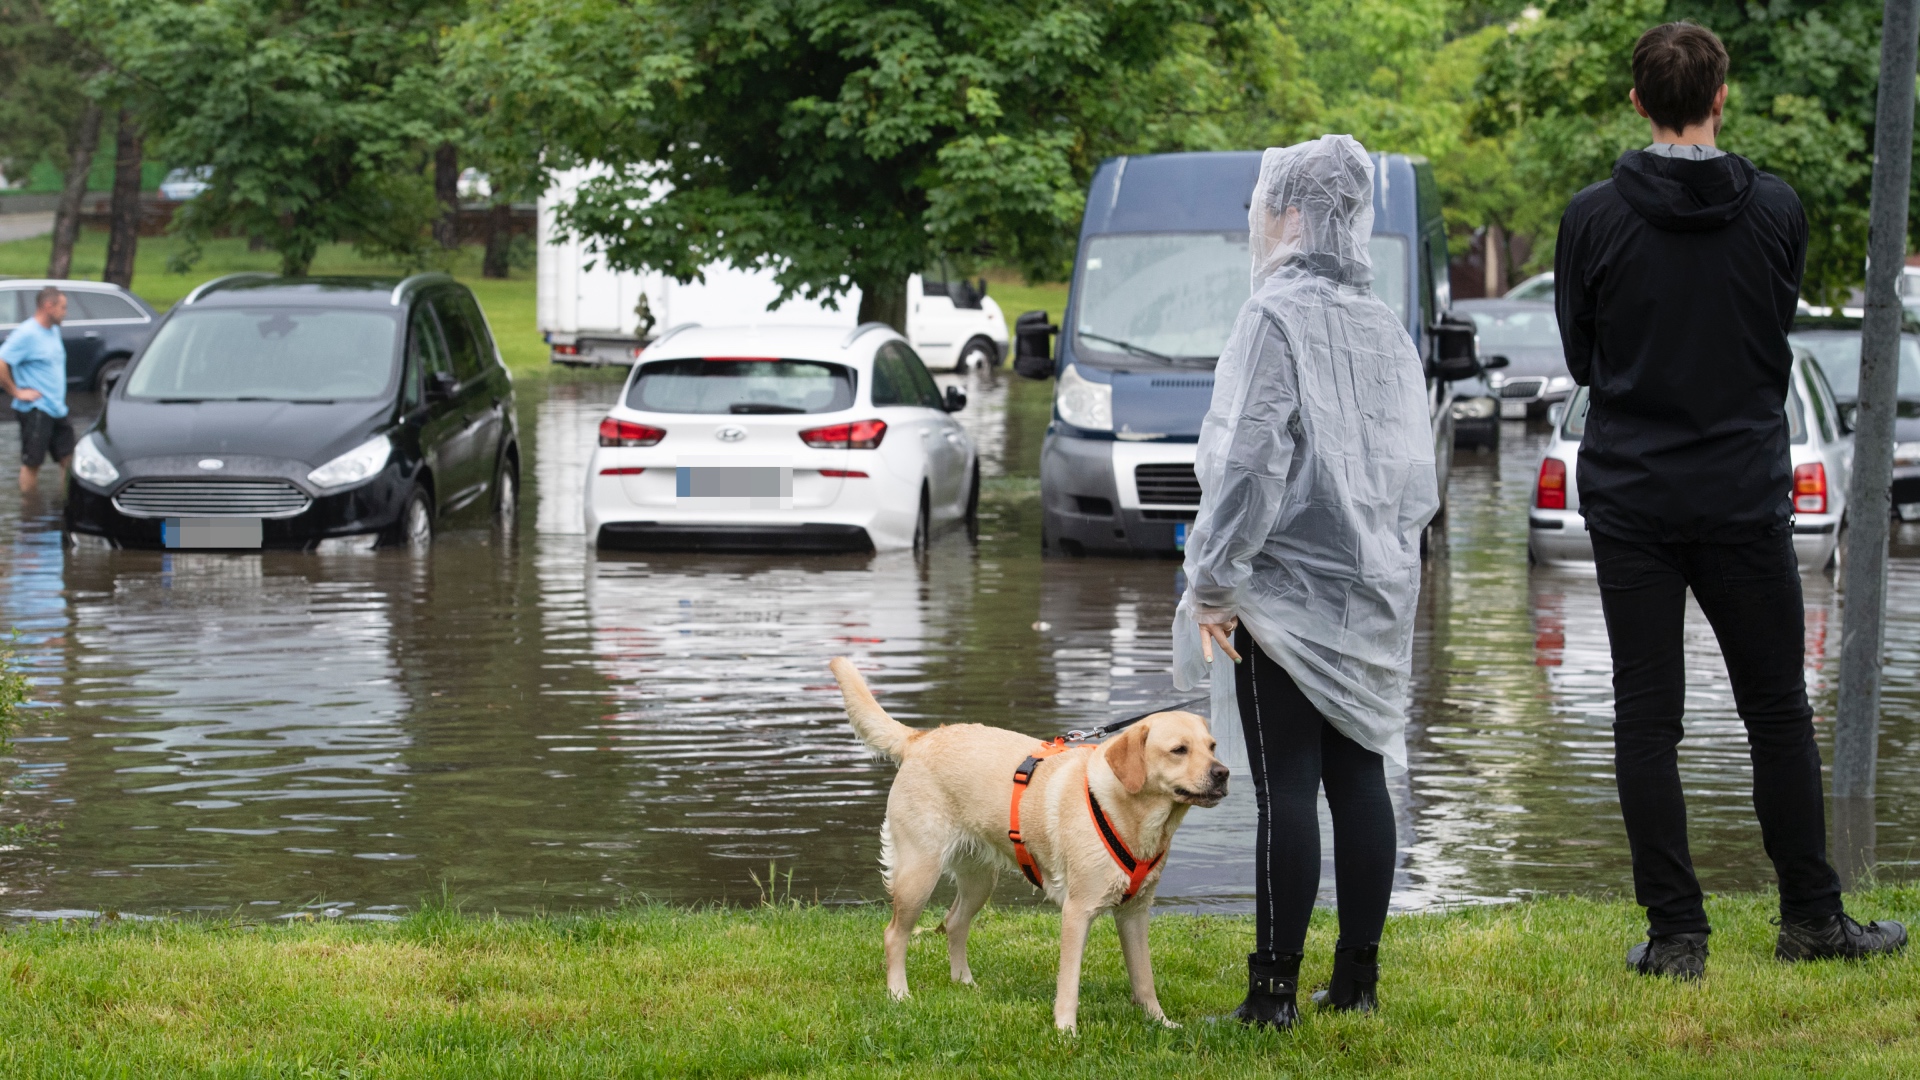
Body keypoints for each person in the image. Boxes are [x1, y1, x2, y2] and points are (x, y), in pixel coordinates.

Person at [1555, 21, 1906, 979]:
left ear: (1638, 102)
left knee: (1646, 717)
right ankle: (1812, 919)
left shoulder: (1592, 218)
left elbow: (1583, 357)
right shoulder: (1778, 210)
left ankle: (1677, 936)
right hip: (1745, 489)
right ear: (1722, 97)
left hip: (1630, 489)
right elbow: (1771, 327)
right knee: (1777, 712)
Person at [1172, 134, 1439, 1028]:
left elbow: (1250, 464)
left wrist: (1213, 584)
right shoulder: (1383, 325)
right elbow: (1413, 475)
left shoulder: (1272, 318)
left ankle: (1272, 998)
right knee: (1360, 778)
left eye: (1267, 206)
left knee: (1285, 784)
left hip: (1282, 595)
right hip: (1371, 590)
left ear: (1290, 211)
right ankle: (1356, 982)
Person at [0, 285, 74, 493]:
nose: (65, 313)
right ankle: (30, 514)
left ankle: (66, 504)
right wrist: (15, 392)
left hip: (57, 408)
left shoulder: (53, 331)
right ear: (48, 306)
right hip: (36, 410)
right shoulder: (27, 333)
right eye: (62, 307)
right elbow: (1, 361)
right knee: (33, 463)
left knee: (68, 459)